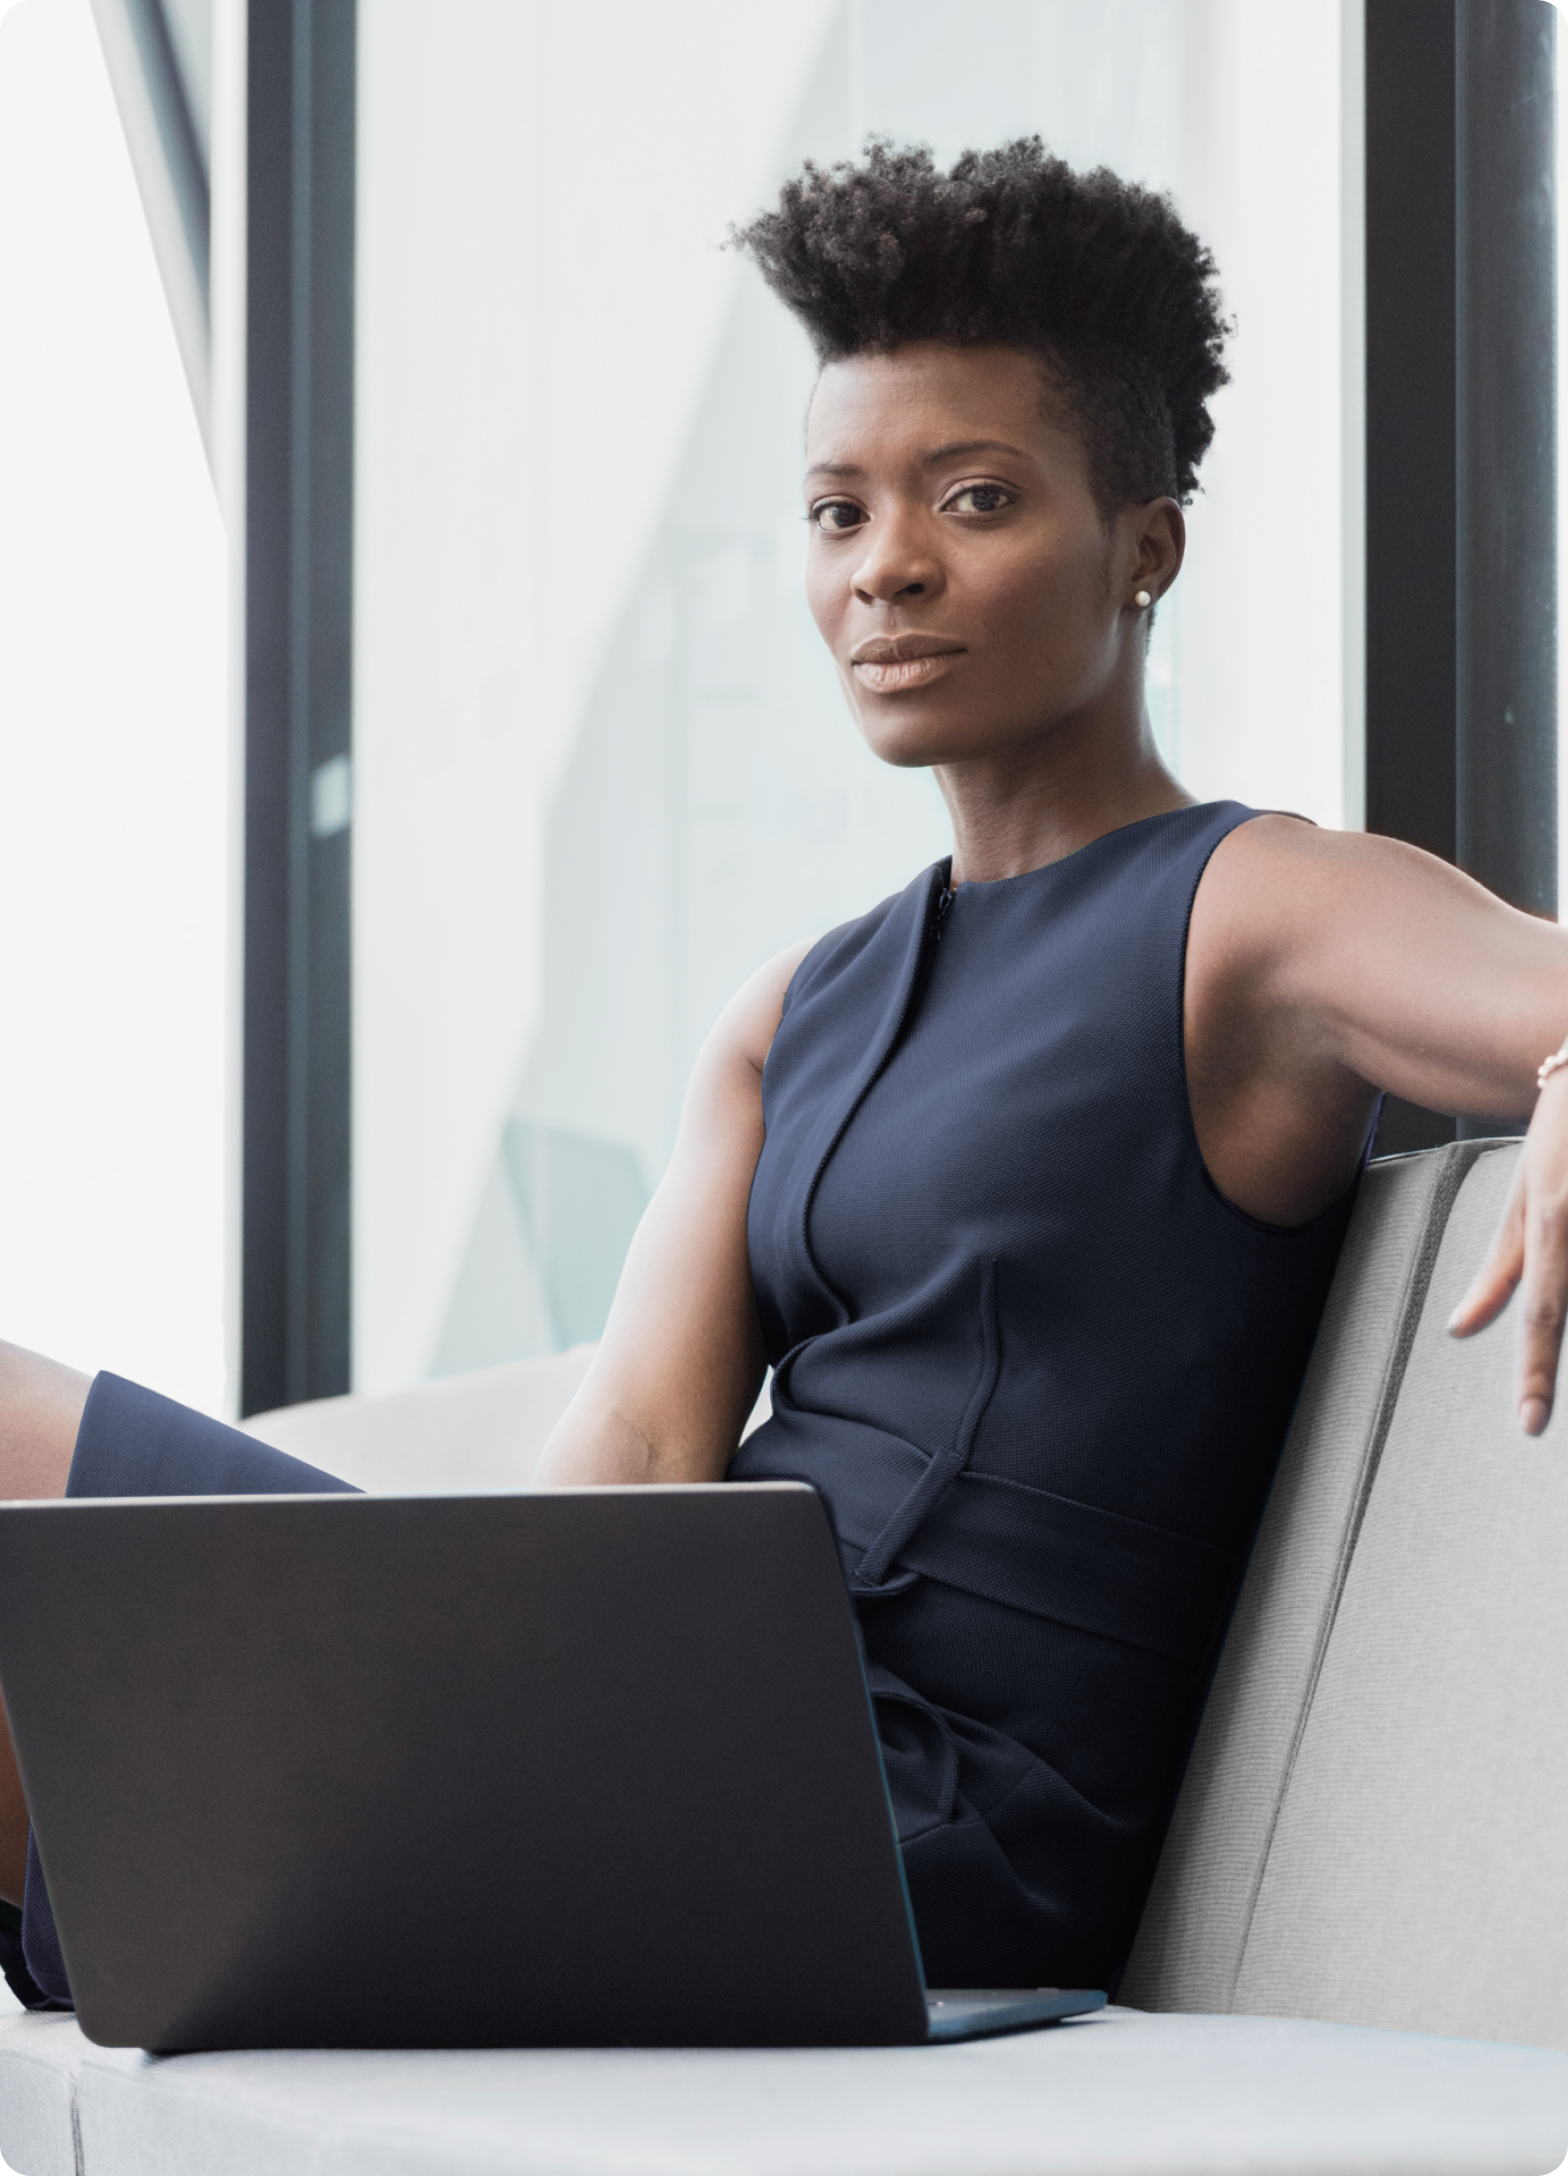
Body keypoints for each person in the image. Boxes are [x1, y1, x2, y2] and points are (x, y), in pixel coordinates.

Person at [1, 138, 1567, 2010]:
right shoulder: (790, 1013)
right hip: (672, 1718)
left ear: (1144, 542)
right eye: (836, 511)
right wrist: (336, 1678)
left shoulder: (1250, 911)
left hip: (904, 1819)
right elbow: (634, 1474)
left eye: (973, 499)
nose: (889, 566)